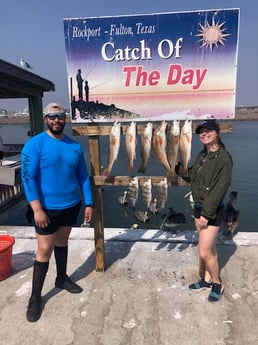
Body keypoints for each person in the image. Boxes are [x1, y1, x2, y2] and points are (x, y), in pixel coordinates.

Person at [21, 102, 93, 322]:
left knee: (62, 242)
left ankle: (61, 278)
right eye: (52, 117)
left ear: (65, 119)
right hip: (46, 209)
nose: (56, 120)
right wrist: (37, 209)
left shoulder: (74, 146)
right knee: (44, 249)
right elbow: (28, 177)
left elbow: (83, 176)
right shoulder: (35, 145)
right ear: (46, 119)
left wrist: (88, 203)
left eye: (60, 116)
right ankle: (35, 298)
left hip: (71, 204)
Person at [188, 119, 233, 303]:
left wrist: (206, 214)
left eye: (208, 131)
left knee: (204, 252)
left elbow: (220, 188)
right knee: (210, 248)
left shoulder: (223, 158)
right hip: (199, 207)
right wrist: (178, 168)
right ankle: (206, 280)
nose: (204, 134)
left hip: (211, 211)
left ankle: (216, 283)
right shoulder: (203, 155)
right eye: (201, 132)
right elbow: (194, 176)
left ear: (217, 133)